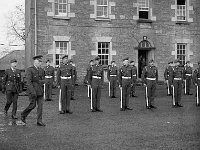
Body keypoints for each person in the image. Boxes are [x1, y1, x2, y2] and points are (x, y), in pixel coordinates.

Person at [21, 55, 46, 126]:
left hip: (40, 90)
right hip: (33, 91)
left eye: (41, 61)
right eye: (39, 61)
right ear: (35, 62)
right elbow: (28, 82)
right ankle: (23, 114)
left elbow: (43, 79)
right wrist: (32, 91)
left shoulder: (41, 70)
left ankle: (39, 121)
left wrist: (42, 82)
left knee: (40, 106)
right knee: (32, 105)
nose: (40, 63)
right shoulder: (30, 69)